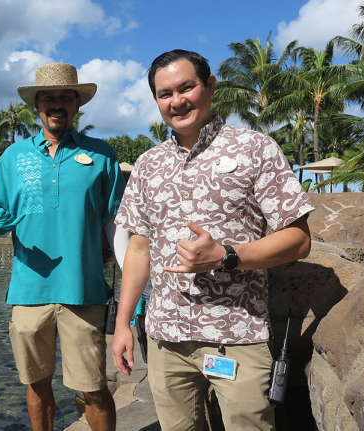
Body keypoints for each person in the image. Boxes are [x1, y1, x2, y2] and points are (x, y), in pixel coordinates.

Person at [111, 49, 315, 431]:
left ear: (210, 86)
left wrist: (227, 255)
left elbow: (299, 240)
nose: (177, 101)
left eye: (186, 87)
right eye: (164, 93)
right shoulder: (147, 164)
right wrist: (123, 323)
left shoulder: (255, 148)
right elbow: (139, 248)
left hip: (237, 335)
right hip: (165, 338)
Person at [0, 62, 128, 431]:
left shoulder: (102, 154)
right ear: (37, 105)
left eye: (66, 96)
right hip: (28, 291)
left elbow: (118, 223)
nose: (56, 104)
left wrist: (134, 288)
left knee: (94, 388)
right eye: (48, 97)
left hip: (84, 290)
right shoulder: (12, 158)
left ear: (77, 104)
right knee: (36, 383)